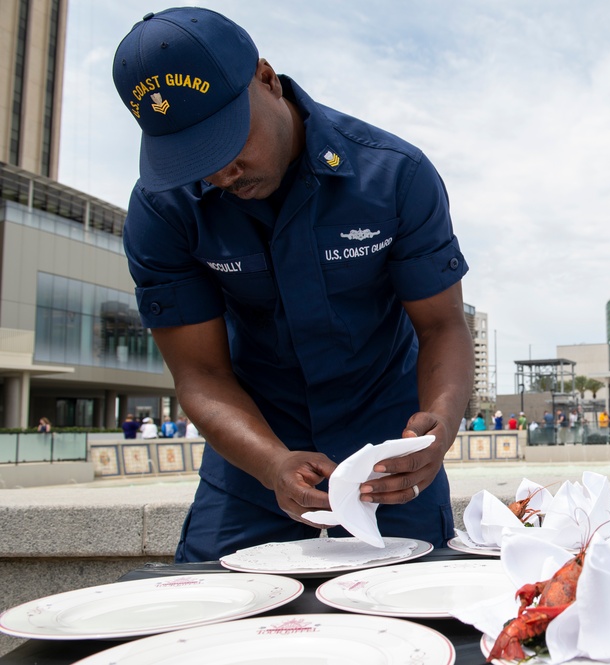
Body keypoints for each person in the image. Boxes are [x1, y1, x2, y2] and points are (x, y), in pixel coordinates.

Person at [111, 8, 473, 563]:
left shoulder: (395, 176)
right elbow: (201, 373)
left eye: (227, 140)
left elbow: (444, 325)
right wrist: (270, 462)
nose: (220, 173)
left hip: (390, 463)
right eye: (193, 159)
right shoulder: (163, 209)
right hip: (251, 459)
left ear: (267, 78)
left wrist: (438, 431)